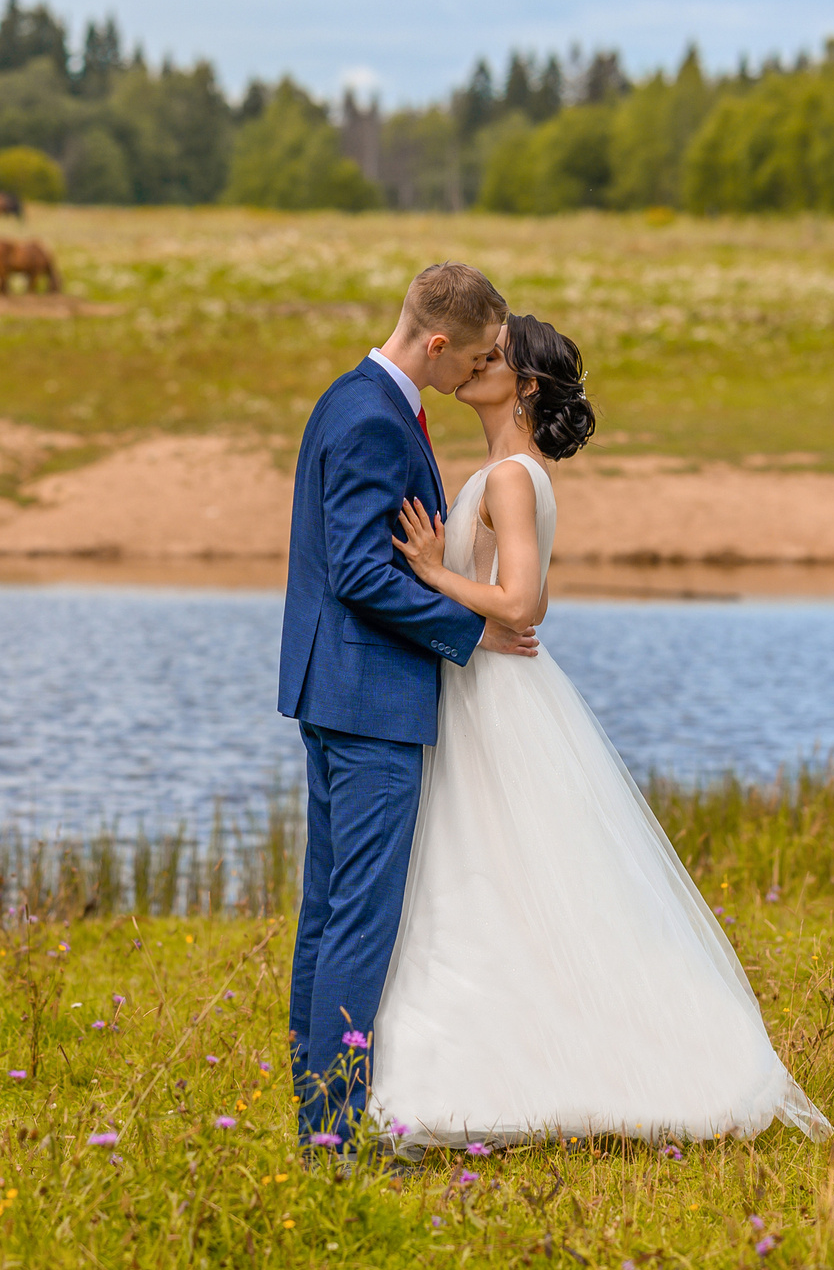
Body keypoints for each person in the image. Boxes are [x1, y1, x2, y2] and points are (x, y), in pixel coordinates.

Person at [369, 312, 832, 1149]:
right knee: (492, 878)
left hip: (499, 697)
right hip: (487, 686)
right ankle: (480, 1065)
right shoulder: (503, 471)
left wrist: (435, 574)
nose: (477, 363)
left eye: (495, 357)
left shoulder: (511, 476)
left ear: (527, 385)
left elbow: (522, 603)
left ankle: (550, 1071)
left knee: (506, 872)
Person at [278, 262, 537, 1150]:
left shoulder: (353, 398)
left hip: (341, 691)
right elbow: (355, 570)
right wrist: (472, 630)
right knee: (359, 917)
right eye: (469, 357)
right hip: (369, 700)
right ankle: (334, 1132)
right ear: (435, 342)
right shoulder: (372, 420)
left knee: (331, 908)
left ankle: (319, 1117)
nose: (473, 371)